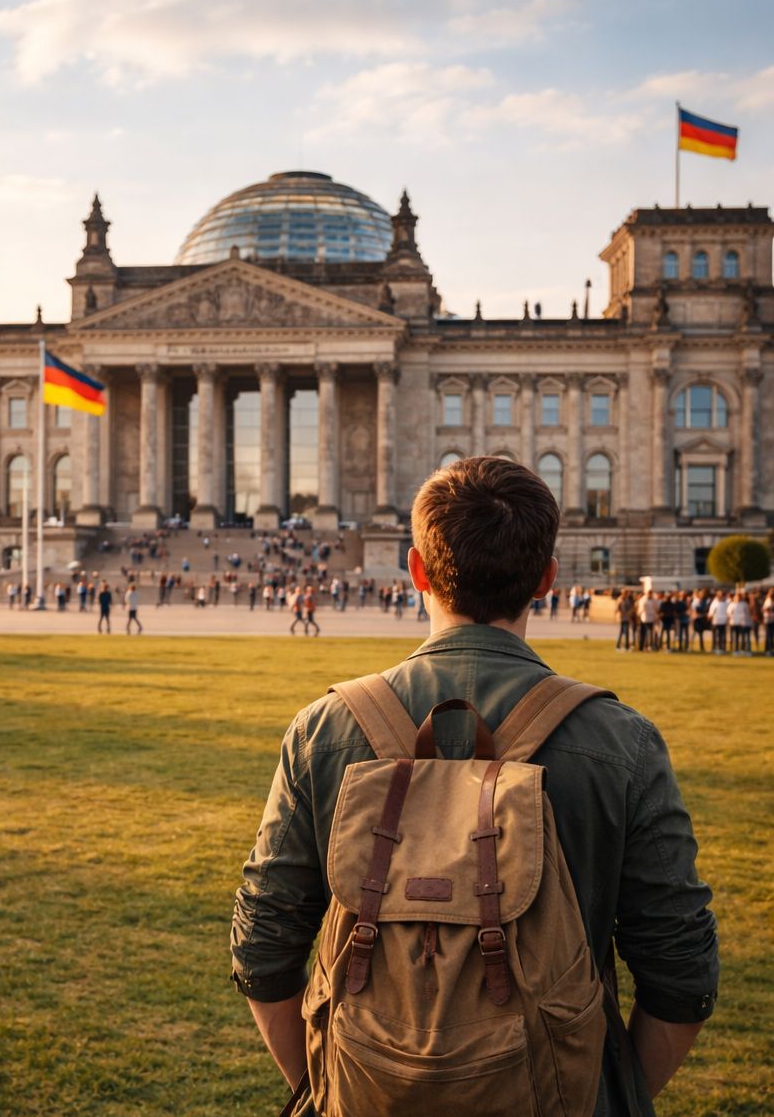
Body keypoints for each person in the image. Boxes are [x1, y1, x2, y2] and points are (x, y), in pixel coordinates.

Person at [231, 457, 717, 1117]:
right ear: (548, 578)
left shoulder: (326, 728)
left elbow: (263, 950)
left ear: (417, 572)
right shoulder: (621, 741)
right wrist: (597, 1096)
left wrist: (324, 1088)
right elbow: (683, 976)